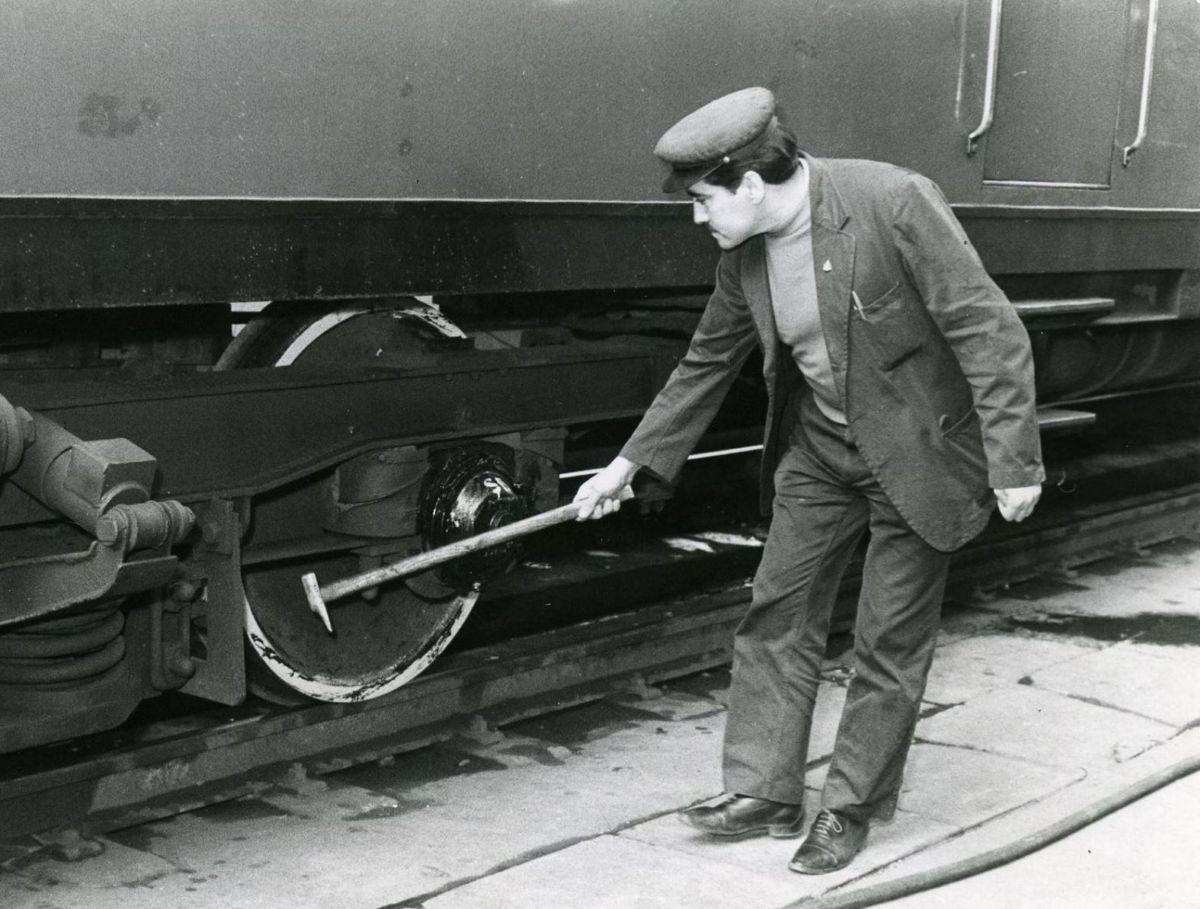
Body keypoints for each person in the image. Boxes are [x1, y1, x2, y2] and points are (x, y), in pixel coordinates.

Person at [572, 87, 1043, 874]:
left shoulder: (892, 202)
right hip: (823, 449)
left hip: (919, 453)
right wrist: (625, 466)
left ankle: (848, 809)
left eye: (702, 200)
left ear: (752, 186)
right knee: (777, 610)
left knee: (887, 641)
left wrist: (1014, 459)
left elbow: (985, 326)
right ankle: (764, 791)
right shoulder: (746, 254)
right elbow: (706, 361)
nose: (697, 217)